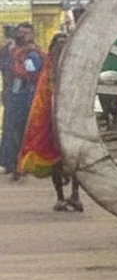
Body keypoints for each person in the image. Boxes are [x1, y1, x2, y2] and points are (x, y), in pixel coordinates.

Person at [16, 33, 81, 211]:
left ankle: (73, 196)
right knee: (58, 162)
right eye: (58, 44)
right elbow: (45, 95)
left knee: (71, 160)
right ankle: (62, 197)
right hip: (53, 120)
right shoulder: (51, 66)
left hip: (67, 118)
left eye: (64, 44)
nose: (61, 47)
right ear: (53, 48)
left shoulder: (68, 64)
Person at [0, 23, 44, 180]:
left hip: (28, 97)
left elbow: (33, 74)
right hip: (13, 95)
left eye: (26, 33)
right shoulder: (11, 51)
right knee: (10, 130)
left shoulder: (34, 53)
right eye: (20, 33)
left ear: (32, 35)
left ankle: (21, 164)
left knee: (24, 131)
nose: (22, 36)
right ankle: (10, 162)